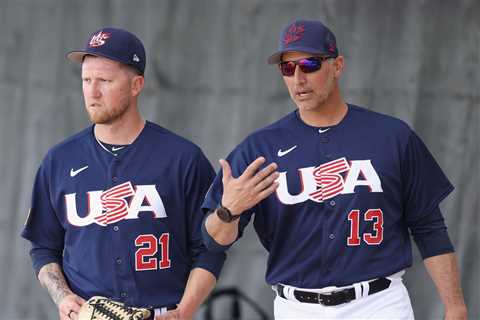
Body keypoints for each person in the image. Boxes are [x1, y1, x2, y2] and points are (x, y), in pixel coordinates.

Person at [201, 19, 468, 319]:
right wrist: (228, 210)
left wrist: (455, 306)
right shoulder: (259, 149)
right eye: (288, 69)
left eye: (309, 64)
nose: (298, 78)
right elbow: (212, 241)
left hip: (379, 304)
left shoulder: (392, 136)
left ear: (337, 66)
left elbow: (428, 226)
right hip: (297, 307)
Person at [21, 27, 225, 320]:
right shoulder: (59, 161)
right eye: (86, 80)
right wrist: (63, 298)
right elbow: (43, 246)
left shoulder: (183, 158)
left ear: (136, 85)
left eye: (104, 80)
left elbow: (209, 248)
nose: (92, 91)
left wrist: (185, 311)